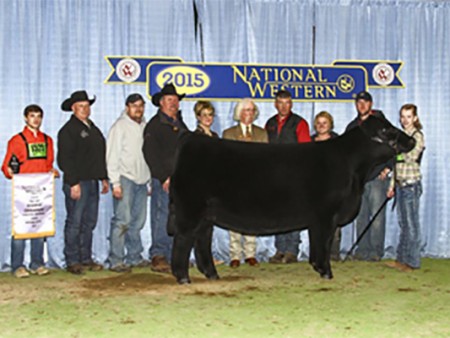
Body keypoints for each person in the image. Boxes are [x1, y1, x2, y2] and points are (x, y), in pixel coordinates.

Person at [1, 104, 57, 278]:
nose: (36, 119)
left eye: (39, 116)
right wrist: (9, 172)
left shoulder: (47, 140)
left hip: (41, 190)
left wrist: (52, 172)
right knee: (21, 227)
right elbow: (6, 165)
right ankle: (17, 265)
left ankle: (37, 263)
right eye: (32, 116)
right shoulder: (16, 141)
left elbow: (48, 165)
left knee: (39, 225)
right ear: (25, 118)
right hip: (23, 191)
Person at [57, 90, 109, 275]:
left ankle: (85, 257)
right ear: (73, 108)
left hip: (92, 180)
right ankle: (72, 259)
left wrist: (103, 177)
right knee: (75, 221)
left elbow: (98, 156)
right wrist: (73, 182)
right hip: (78, 181)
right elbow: (65, 159)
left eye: (87, 106)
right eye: (81, 106)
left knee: (89, 221)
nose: (85, 109)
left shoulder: (93, 129)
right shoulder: (68, 131)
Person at [143, 83, 188, 273]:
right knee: (162, 215)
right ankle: (159, 254)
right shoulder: (155, 125)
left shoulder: (180, 124)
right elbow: (150, 153)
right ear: (161, 103)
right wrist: (163, 177)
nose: (173, 103)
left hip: (180, 179)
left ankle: (173, 255)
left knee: (176, 217)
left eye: (176, 100)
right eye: (169, 100)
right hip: (166, 179)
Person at [106, 93, 151, 273]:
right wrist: (115, 182)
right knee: (122, 220)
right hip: (125, 177)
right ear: (127, 107)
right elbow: (112, 156)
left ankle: (134, 256)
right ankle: (116, 260)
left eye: (141, 105)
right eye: (134, 106)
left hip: (141, 179)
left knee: (137, 221)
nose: (138, 109)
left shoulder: (145, 127)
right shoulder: (119, 127)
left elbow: (147, 155)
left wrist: (148, 180)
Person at [345, 91, 392, 262]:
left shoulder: (381, 124)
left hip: (377, 177)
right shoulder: (352, 127)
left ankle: (376, 252)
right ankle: (362, 250)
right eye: (359, 102)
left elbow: (393, 145)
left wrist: (388, 166)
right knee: (360, 216)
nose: (362, 105)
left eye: (365, 102)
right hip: (359, 179)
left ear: (371, 104)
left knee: (377, 217)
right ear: (356, 105)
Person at [265, 90, 311, 264]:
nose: (284, 106)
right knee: (278, 212)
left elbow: (307, 152)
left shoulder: (300, 123)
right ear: (275, 104)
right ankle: (280, 249)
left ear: (291, 104)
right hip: (274, 176)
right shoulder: (269, 123)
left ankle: (292, 250)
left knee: (294, 212)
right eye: (280, 102)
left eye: (287, 103)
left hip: (295, 176)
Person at [222, 98, 268, 268]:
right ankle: (235, 255)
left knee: (252, 217)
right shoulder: (228, 134)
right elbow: (225, 159)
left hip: (255, 182)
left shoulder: (261, 134)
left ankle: (250, 254)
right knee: (233, 218)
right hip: (234, 182)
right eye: (246, 110)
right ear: (239, 113)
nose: (249, 113)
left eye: (251, 110)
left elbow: (266, 159)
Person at [386, 104, 425, 272]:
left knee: (411, 224)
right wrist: (391, 186)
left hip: (411, 184)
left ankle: (413, 261)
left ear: (415, 118)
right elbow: (396, 164)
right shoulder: (401, 137)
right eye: (402, 116)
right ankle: (402, 259)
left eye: (408, 116)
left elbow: (411, 156)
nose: (405, 120)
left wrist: (396, 153)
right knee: (404, 223)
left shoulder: (418, 136)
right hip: (401, 183)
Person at [193, 100, 224, 265]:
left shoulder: (215, 137)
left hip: (213, 186)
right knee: (198, 224)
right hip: (199, 186)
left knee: (208, 224)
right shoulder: (195, 137)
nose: (207, 118)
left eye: (210, 115)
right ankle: (201, 258)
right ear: (198, 117)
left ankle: (206, 258)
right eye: (204, 115)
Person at [311, 111, 341, 261]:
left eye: (325, 123)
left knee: (333, 221)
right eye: (318, 123)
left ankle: (333, 253)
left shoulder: (338, 142)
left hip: (332, 187)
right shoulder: (309, 142)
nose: (321, 126)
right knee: (314, 222)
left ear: (330, 125)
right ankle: (316, 254)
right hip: (312, 187)